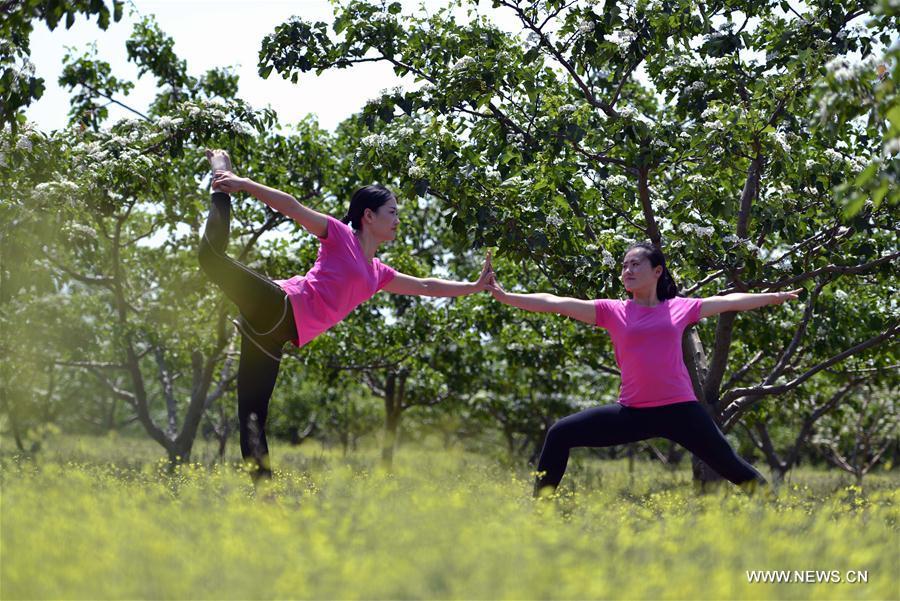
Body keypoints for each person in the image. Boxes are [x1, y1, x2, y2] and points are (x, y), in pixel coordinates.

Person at [198, 149, 492, 480]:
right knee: (211, 257)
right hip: (278, 305)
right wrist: (243, 184)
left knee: (252, 419)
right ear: (369, 216)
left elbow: (426, 285)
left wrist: (474, 286)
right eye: (392, 212)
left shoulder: (378, 273)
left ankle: (266, 498)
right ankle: (221, 180)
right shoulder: (339, 235)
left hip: (274, 335)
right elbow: (293, 207)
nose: (398, 220)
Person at [485, 242, 802, 496]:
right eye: (624, 266)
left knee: (733, 467)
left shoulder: (680, 307)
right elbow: (554, 302)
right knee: (560, 433)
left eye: (635, 264)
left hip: (681, 411)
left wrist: (773, 297)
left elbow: (730, 301)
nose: (627, 270)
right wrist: (505, 296)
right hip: (633, 413)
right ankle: (541, 514)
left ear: (657, 271)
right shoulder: (612, 311)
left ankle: (780, 515)